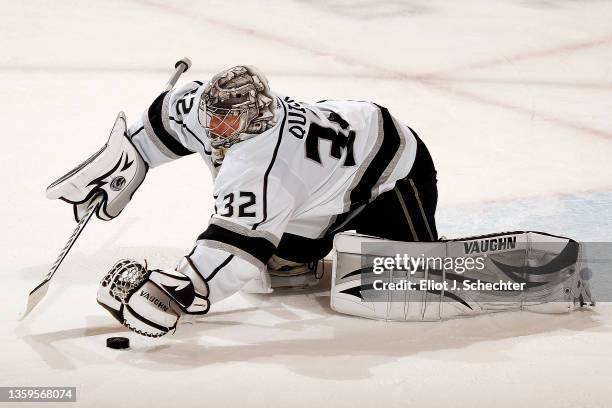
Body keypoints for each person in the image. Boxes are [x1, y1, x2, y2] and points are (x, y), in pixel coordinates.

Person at [52, 65, 439, 337]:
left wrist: (183, 290)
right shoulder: (208, 106)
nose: (213, 128)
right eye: (212, 116)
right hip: (338, 148)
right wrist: (124, 162)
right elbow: (163, 121)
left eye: (225, 123)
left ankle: (415, 251)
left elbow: (236, 247)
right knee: (285, 241)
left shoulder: (264, 164)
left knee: (411, 271)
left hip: (392, 163)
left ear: (254, 120)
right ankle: (295, 254)